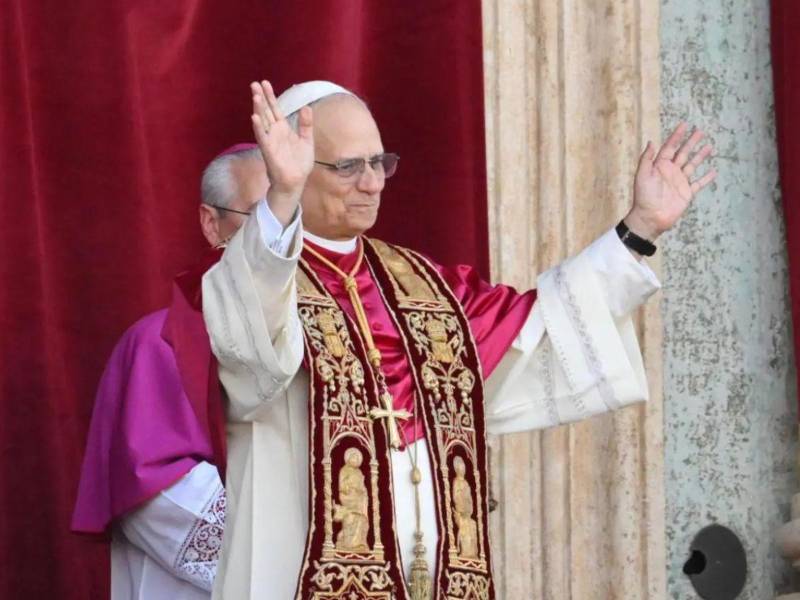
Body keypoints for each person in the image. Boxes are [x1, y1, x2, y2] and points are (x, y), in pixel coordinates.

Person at [202, 80, 717, 600]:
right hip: (297, 574)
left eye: (380, 163)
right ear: (292, 167)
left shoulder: (424, 286)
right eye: (349, 167)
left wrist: (639, 228)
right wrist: (282, 196)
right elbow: (251, 355)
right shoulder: (258, 275)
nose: (373, 183)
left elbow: (539, 328)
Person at [72, 144, 266, 599]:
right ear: (211, 222)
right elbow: (156, 492)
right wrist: (285, 556)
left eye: (294, 217)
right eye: (261, 216)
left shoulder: (337, 339)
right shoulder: (161, 342)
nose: (281, 237)